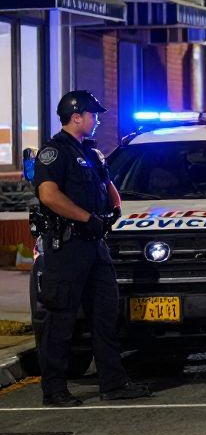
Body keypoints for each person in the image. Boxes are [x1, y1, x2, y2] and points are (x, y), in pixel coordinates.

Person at [31, 91, 151, 406]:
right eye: (92, 115)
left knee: (105, 316)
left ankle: (113, 383)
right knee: (61, 319)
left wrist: (114, 209)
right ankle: (54, 390)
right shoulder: (55, 152)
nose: (96, 120)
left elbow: (108, 186)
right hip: (68, 247)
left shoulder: (91, 152)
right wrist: (86, 218)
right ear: (76, 117)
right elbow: (48, 195)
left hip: (95, 245)